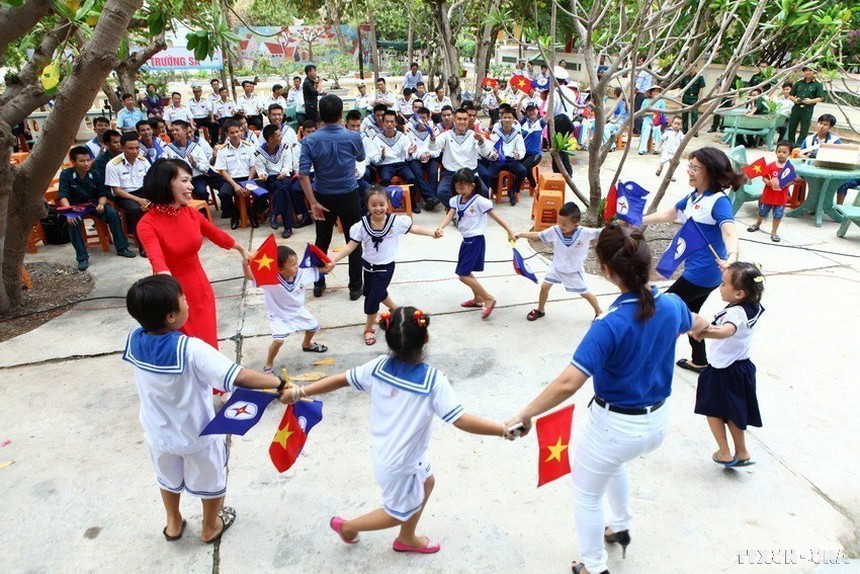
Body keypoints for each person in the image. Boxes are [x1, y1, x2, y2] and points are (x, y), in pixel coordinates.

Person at [504, 224, 710, 574]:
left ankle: (593, 565)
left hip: (615, 427)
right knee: (612, 466)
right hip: (656, 424)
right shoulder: (673, 303)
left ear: (607, 272)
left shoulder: (609, 323)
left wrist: (525, 413)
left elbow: (569, 382)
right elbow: (700, 323)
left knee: (586, 494)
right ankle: (619, 525)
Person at [280, 305, 510, 554]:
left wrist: (298, 392)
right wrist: (503, 429)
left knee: (427, 482)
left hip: (397, 453)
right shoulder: (433, 381)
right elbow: (460, 420)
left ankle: (407, 537)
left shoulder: (377, 367)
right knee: (397, 513)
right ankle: (348, 527)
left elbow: (338, 380)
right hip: (401, 462)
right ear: (426, 338)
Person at [123, 274, 284, 544]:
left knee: (167, 477)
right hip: (196, 435)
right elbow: (238, 376)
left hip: (157, 433)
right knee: (211, 480)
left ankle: (173, 523)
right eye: (182, 299)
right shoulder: (190, 349)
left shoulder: (134, 340)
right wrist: (278, 383)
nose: (187, 302)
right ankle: (210, 525)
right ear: (171, 316)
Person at [642, 147, 743, 372]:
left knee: (663, 308)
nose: (690, 172)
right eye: (690, 166)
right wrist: (636, 220)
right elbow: (668, 214)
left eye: (696, 168)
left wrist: (732, 258)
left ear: (711, 171)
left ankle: (650, 357)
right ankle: (699, 360)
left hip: (703, 274)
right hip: (699, 273)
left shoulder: (718, 201)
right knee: (688, 314)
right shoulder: (694, 196)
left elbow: (729, 232)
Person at [137, 159, 252, 349]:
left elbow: (216, 234)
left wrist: (241, 249)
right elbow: (157, 260)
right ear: (165, 183)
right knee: (189, 349)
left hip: (202, 290)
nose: (191, 186)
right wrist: (171, 293)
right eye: (184, 181)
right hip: (175, 295)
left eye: (190, 181)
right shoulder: (147, 224)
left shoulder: (190, 213)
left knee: (208, 344)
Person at [325, 187, 438, 345]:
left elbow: (414, 228)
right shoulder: (361, 226)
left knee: (371, 300)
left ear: (388, 205)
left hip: (385, 268)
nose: (378, 208)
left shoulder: (396, 222)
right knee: (376, 292)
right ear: (367, 206)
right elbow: (350, 246)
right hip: (368, 267)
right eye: (373, 205)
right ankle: (396, 309)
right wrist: (334, 259)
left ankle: (368, 329)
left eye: (381, 204)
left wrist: (432, 233)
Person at [691, 260, 766, 469]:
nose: (720, 287)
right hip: (741, 368)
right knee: (734, 411)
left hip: (722, 370)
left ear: (740, 293)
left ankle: (724, 453)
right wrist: (729, 269)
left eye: (724, 284)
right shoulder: (753, 306)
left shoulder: (734, 313)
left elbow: (727, 331)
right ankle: (741, 451)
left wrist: (702, 332)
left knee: (712, 409)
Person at [299, 94, 365, 300]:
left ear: (320, 114)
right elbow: (361, 157)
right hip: (349, 194)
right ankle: (355, 287)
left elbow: (302, 174)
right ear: (340, 114)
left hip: (323, 196)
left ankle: (319, 283)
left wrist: (313, 202)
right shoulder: (353, 137)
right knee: (353, 240)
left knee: (322, 240)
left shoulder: (310, 140)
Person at [434, 168, 515, 319]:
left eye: (463, 187)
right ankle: (478, 298)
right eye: (457, 187)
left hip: (475, 240)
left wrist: (509, 231)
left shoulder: (479, 201)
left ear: (472, 185)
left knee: (463, 275)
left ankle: (488, 298)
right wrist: (440, 227)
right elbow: (450, 214)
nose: (460, 190)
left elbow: (496, 217)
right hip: (466, 241)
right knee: (467, 272)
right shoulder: (456, 200)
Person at [242, 245, 328, 374]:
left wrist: (329, 264)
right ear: (280, 269)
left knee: (314, 327)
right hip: (278, 315)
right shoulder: (270, 279)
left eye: (296, 262)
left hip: (298, 311)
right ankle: (268, 364)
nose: (297, 266)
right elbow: (250, 277)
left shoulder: (301, 274)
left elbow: (322, 269)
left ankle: (306, 344)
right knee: (278, 340)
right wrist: (245, 265)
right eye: (293, 265)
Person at [515, 202, 602, 321]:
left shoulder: (584, 233)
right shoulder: (555, 231)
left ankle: (599, 312)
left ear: (576, 224)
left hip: (573, 270)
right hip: (556, 267)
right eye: (559, 221)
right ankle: (540, 310)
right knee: (544, 287)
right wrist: (521, 234)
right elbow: (538, 236)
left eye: (564, 224)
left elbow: (601, 232)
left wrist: (621, 227)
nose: (560, 226)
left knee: (584, 293)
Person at [58, 146, 137, 270]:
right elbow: (63, 195)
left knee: (112, 213)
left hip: (93, 204)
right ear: (73, 162)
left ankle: (122, 248)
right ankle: (82, 257)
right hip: (76, 207)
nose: (86, 163)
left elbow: (102, 194)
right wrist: (68, 212)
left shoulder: (95, 174)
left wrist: (101, 204)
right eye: (82, 161)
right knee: (73, 221)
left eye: (88, 160)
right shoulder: (66, 174)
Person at [430, 108, 496, 209]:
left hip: (470, 172)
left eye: (465, 119)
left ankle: (475, 212)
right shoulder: (446, 135)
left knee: (484, 191)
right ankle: (457, 211)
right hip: (451, 173)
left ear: (468, 120)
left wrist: (481, 142)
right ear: (454, 120)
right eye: (459, 119)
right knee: (441, 192)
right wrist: (432, 139)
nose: (462, 122)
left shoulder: (475, 135)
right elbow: (433, 148)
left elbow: (487, 154)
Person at [255, 124, 307, 239]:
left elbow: (287, 165)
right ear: (270, 139)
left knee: (282, 188)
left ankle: (274, 213)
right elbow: (260, 169)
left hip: (284, 177)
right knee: (284, 191)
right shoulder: (259, 152)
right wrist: (263, 175)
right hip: (270, 179)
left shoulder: (285, 148)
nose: (281, 137)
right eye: (278, 135)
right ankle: (287, 227)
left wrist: (283, 172)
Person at [105, 133, 152, 253]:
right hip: (124, 195)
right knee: (136, 210)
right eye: (131, 148)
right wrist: (138, 199)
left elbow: (151, 180)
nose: (135, 151)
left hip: (143, 191)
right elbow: (117, 190)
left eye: (137, 148)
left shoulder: (143, 161)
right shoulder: (113, 165)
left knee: (162, 202)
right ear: (122, 148)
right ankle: (143, 245)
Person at [214, 118, 259, 229]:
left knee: (262, 193)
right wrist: (234, 185)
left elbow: (254, 166)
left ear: (241, 131)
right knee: (223, 194)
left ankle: (253, 212)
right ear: (227, 134)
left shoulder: (249, 146)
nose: (235, 135)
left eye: (237, 131)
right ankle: (235, 214)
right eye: (232, 133)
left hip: (248, 177)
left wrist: (248, 183)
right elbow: (222, 170)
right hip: (231, 180)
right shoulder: (222, 150)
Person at [747, 141, 793, 242]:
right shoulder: (771, 165)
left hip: (781, 197)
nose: (781, 154)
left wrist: (783, 184)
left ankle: (774, 232)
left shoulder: (789, 168)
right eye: (779, 151)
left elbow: (791, 180)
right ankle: (757, 224)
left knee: (778, 215)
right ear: (776, 152)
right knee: (762, 212)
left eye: (784, 152)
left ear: (789, 154)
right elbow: (764, 177)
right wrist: (768, 182)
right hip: (768, 195)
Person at [163, 120, 218, 202]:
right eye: (172, 130)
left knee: (202, 192)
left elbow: (205, 167)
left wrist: (194, 164)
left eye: (177, 130)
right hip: (178, 180)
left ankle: (203, 213)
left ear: (185, 131)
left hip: (196, 178)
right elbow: (164, 167)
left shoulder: (195, 147)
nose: (174, 132)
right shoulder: (168, 149)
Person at [486, 107, 527, 205]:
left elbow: (522, 149)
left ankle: (513, 190)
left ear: (513, 120)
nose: (507, 120)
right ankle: (496, 190)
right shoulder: (496, 133)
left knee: (522, 171)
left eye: (509, 118)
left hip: (512, 160)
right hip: (499, 160)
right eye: (505, 117)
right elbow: (490, 147)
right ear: (501, 119)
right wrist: (492, 155)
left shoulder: (517, 134)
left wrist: (518, 155)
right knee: (488, 175)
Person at [406, 107, 441, 209]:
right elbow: (410, 150)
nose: (422, 121)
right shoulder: (410, 132)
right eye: (419, 118)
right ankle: (430, 198)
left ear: (428, 118)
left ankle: (430, 199)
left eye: (424, 118)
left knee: (434, 172)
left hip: (430, 157)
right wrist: (420, 156)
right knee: (417, 173)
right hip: (416, 159)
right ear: (416, 119)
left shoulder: (434, 130)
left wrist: (429, 154)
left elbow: (437, 149)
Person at [375, 110, 417, 189]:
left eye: (392, 121)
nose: (389, 124)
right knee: (385, 179)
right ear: (383, 123)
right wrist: (382, 157)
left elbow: (407, 157)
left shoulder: (402, 137)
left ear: (396, 123)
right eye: (387, 122)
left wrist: (410, 153)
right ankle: (388, 200)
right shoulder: (377, 139)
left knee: (412, 179)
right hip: (385, 165)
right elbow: (374, 159)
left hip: (401, 164)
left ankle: (410, 201)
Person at [786, 66, 825, 145]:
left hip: (808, 108)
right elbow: (790, 95)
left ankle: (799, 145)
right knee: (792, 127)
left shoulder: (818, 84)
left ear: (814, 72)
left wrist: (810, 101)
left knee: (804, 129)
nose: (808, 72)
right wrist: (795, 100)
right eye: (806, 70)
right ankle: (790, 144)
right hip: (796, 107)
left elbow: (820, 98)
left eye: (810, 70)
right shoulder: (799, 82)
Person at [638, 86, 666, 155]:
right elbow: (641, 112)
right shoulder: (646, 101)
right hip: (647, 119)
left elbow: (663, 113)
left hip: (657, 120)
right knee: (647, 128)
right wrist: (650, 113)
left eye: (657, 91)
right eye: (654, 91)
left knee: (657, 129)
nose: (655, 93)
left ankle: (657, 149)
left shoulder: (661, 101)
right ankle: (642, 149)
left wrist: (657, 114)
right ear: (651, 92)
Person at [679, 63, 705, 134]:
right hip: (686, 97)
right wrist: (679, 95)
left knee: (694, 115)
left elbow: (701, 88)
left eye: (693, 66)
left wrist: (700, 99)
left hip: (694, 98)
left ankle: (694, 131)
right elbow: (681, 87)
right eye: (689, 66)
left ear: (695, 67)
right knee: (684, 114)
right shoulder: (685, 77)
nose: (691, 68)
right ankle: (684, 129)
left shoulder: (699, 77)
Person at [632, 55, 653, 135]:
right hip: (646, 94)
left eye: (640, 61)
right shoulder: (649, 72)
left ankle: (637, 130)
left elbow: (638, 86)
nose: (639, 63)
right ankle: (641, 129)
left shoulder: (643, 72)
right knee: (642, 112)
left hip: (640, 94)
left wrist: (631, 94)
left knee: (637, 112)